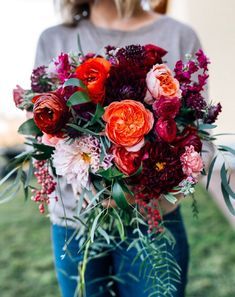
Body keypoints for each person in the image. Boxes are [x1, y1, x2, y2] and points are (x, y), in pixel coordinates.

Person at [34, 1, 204, 296]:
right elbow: (39, 133)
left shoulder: (176, 35)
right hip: (75, 224)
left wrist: (150, 199)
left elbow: (198, 142)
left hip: (153, 221)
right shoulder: (54, 39)